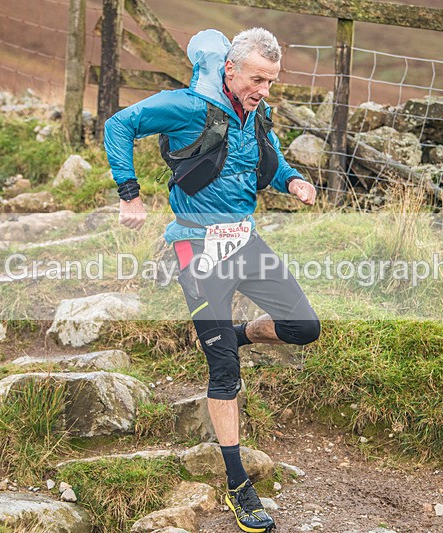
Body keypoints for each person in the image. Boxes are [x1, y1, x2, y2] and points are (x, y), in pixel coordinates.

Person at [105, 27, 320, 533]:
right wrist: (128, 194)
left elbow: (267, 160)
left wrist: (293, 180)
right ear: (229, 68)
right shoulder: (186, 107)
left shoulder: (257, 112)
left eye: (271, 81)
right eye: (257, 79)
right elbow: (119, 123)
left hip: (243, 242)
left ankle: (233, 336)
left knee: (303, 326)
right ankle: (238, 484)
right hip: (195, 248)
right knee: (224, 372)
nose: (264, 89)